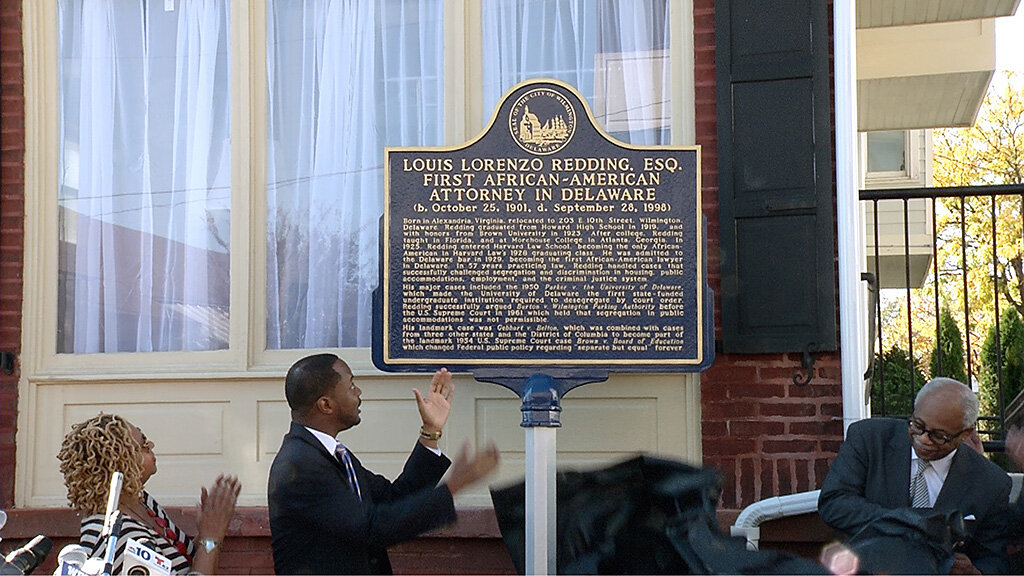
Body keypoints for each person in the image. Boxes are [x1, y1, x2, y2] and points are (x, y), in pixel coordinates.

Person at [268, 353, 500, 575]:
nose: (358, 392)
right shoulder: (300, 465)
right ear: (326, 405)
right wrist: (452, 488)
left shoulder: (333, 455)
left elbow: (393, 497)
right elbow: (371, 528)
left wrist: (430, 431)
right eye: (351, 386)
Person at [819, 377, 1012, 575]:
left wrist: (974, 572)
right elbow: (834, 503)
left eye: (938, 436)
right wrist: (912, 523)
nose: (923, 439)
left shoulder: (992, 482)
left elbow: (994, 561)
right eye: (917, 425)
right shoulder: (869, 439)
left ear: (965, 433)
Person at [57, 413, 240, 575]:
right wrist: (211, 538)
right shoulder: (118, 535)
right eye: (143, 444)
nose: (151, 444)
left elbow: (180, 564)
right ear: (121, 462)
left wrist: (208, 527)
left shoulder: (141, 502)